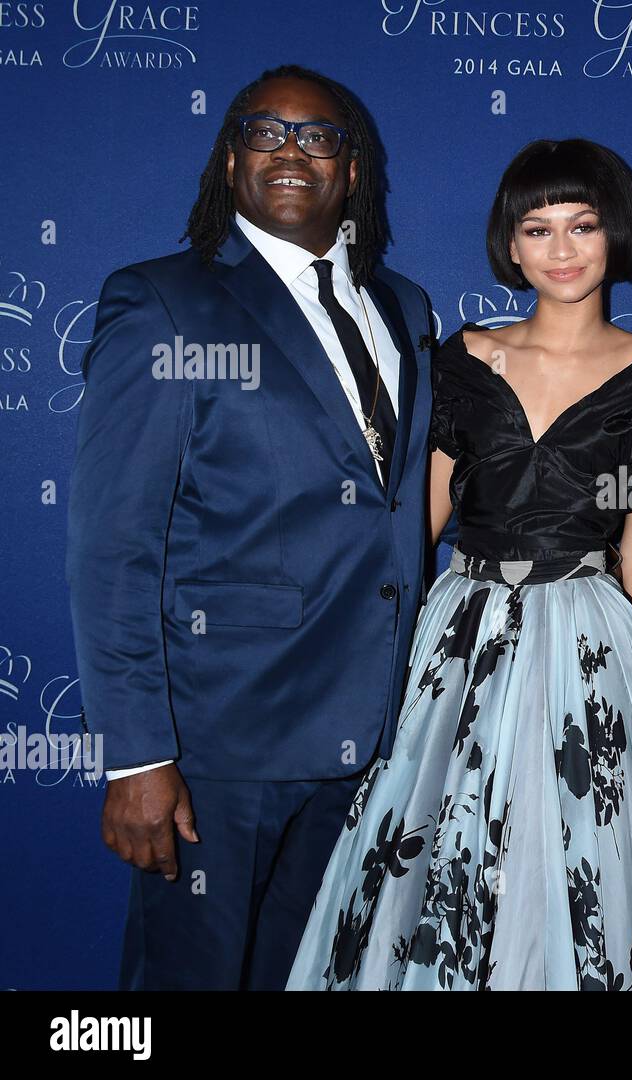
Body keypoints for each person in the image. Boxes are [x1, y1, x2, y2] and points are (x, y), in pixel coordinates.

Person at [66, 66, 435, 990]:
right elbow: (114, 546)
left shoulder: (406, 309)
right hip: (214, 749)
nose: (289, 151)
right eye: (264, 132)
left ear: (352, 171)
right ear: (230, 158)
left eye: (317, 137)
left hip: (365, 738)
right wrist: (138, 755)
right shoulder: (162, 302)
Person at [287, 138, 632, 990]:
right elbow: (414, 528)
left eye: (582, 225)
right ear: (510, 241)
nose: (562, 250)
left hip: (591, 635)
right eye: (537, 229)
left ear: (618, 234)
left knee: (575, 854)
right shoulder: (460, 359)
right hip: (458, 634)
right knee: (429, 853)